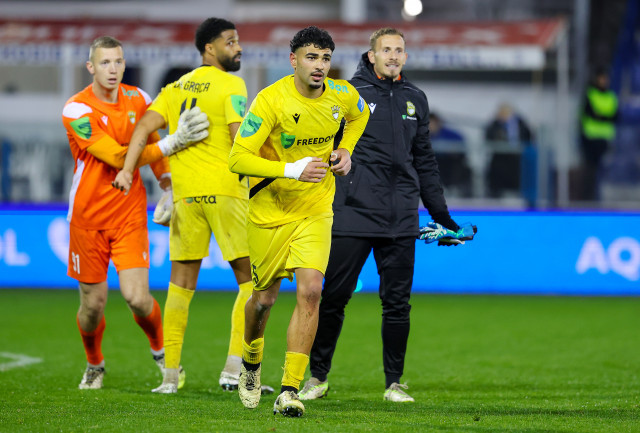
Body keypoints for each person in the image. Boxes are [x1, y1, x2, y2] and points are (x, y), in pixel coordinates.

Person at [297, 27, 462, 403]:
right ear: (371, 56)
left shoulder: (415, 98)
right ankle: (317, 377)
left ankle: (394, 383)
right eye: (386, 49)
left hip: (401, 216)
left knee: (397, 304)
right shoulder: (346, 93)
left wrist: (441, 216)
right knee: (333, 298)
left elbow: (425, 160)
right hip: (351, 211)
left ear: (405, 57)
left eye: (399, 50)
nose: (393, 55)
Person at [113, 17, 271, 395]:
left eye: (238, 41)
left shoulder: (174, 88)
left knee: (180, 287)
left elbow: (142, 127)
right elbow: (238, 136)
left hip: (185, 197)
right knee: (252, 283)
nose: (238, 47)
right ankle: (233, 368)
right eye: (230, 41)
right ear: (209, 49)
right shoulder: (232, 84)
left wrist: (128, 170)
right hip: (227, 192)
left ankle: (170, 377)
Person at [228, 26, 369, 417]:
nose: (319, 65)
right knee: (263, 301)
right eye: (311, 57)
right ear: (293, 61)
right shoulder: (270, 100)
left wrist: (346, 149)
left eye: (325, 58)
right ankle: (250, 362)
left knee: (311, 293)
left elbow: (360, 116)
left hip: (316, 209)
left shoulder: (342, 94)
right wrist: (291, 169)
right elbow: (237, 159)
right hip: (270, 212)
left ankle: (289, 390)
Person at [62, 36, 208, 390]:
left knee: (138, 298)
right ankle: (94, 363)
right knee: (93, 306)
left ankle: (162, 353)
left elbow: (151, 141)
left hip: (128, 214)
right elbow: (116, 157)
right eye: (105, 63)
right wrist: (173, 143)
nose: (112, 69)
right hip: (87, 218)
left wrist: (168, 183)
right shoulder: (76, 110)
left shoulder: (139, 99)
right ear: (91, 67)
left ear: (124, 64)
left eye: (118, 62)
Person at [579, 69, 619, 201]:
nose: (604, 81)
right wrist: (605, 116)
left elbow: (616, 117)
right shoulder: (590, 94)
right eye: (601, 78)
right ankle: (587, 198)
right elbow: (590, 114)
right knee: (590, 170)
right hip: (590, 140)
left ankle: (600, 197)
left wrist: (600, 115)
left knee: (604, 171)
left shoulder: (611, 96)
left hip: (605, 140)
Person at [484, 103, 533, 197]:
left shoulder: (520, 124)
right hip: (500, 159)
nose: (504, 115)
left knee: (517, 180)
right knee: (498, 180)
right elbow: (488, 137)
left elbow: (528, 137)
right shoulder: (495, 124)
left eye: (506, 113)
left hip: (517, 159)